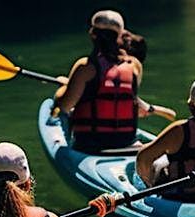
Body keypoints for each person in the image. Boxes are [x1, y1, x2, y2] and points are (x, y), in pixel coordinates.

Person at [54, 10, 144, 153]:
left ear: (92, 34)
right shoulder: (134, 67)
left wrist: (63, 89)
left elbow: (65, 105)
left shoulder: (85, 67)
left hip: (91, 146)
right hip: (126, 143)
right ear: (120, 36)